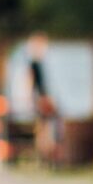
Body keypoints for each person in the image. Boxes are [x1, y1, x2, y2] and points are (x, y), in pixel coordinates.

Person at [27, 32, 62, 166]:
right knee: (44, 128)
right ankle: (44, 155)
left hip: (43, 99)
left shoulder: (42, 63)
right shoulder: (34, 64)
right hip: (42, 99)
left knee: (45, 127)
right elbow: (33, 84)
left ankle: (45, 155)